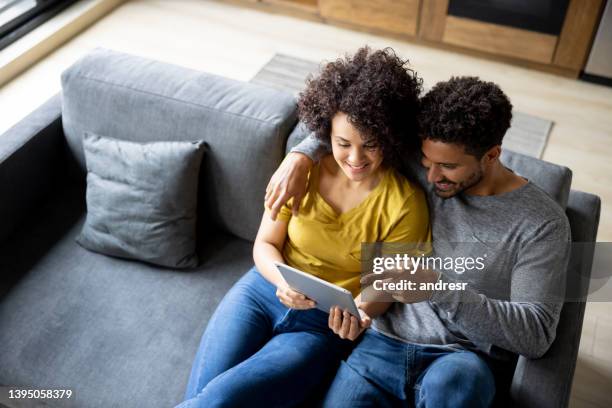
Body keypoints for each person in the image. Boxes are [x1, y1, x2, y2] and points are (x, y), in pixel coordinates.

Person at [266, 76, 571, 407]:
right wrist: (301, 155)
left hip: (462, 359)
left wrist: (437, 288)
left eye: (448, 167)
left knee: (457, 385)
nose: (431, 177)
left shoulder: (542, 224)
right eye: (426, 162)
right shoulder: (421, 157)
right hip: (380, 345)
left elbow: (537, 335)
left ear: (492, 155)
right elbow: (352, 125)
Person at [178, 46, 431, 408]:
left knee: (219, 400)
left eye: (370, 146)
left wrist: (360, 313)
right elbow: (265, 243)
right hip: (261, 292)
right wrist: (283, 281)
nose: (355, 159)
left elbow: (386, 287)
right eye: (343, 144)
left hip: (324, 326)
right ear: (327, 132)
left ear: (390, 138)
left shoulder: (405, 203)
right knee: (200, 397)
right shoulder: (302, 170)